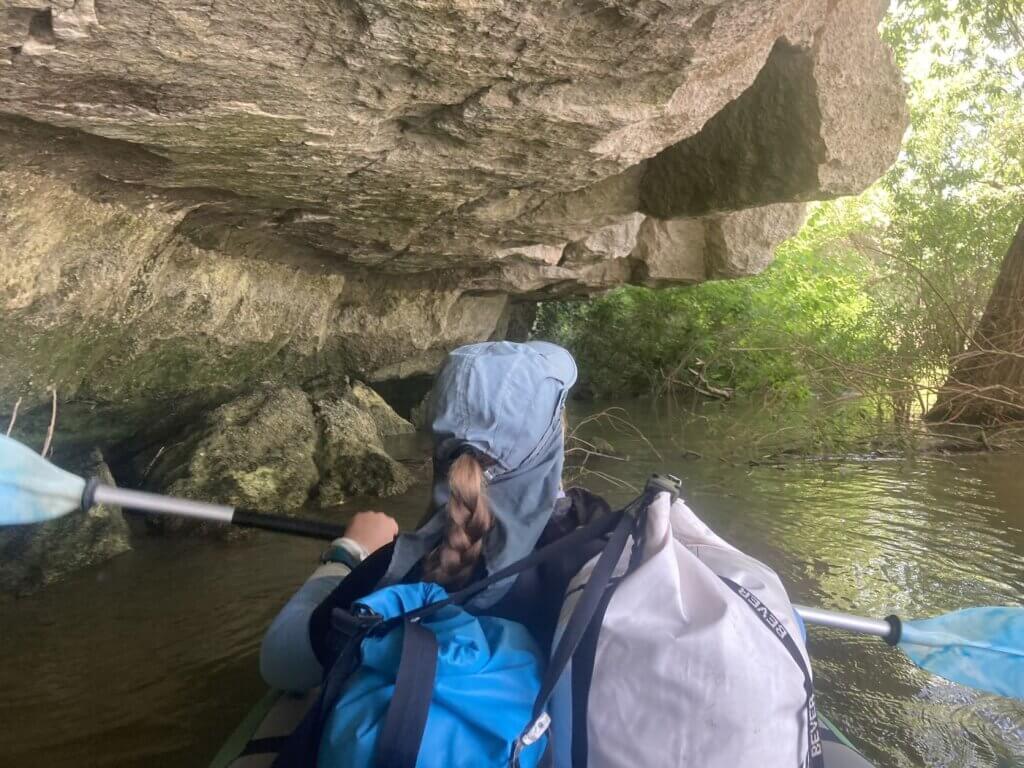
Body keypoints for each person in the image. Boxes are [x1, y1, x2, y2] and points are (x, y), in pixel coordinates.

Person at [259, 340, 581, 693]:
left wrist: (347, 554)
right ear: (552, 440)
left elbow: (281, 662)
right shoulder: (595, 541)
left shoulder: (405, 568)